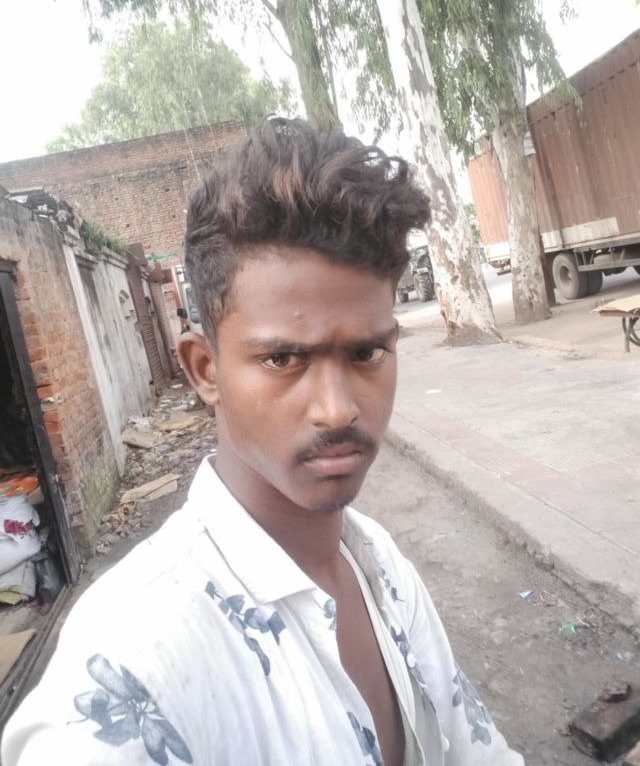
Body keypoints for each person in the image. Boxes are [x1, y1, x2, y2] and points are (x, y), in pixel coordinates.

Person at [2, 118, 523, 765]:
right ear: (205, 369)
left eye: (366, 352)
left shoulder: (380, 563)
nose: (337, 408)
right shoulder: (132, 667)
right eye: (283, 359)